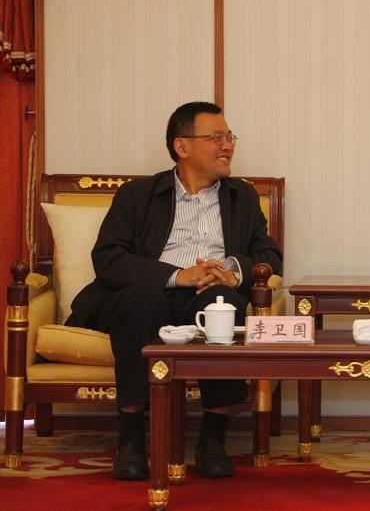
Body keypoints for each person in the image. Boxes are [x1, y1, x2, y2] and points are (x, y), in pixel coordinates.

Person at [67, 101, 283, 480]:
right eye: (216, 137)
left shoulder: (242, 197)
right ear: (182, 146)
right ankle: (132, 441)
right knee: (143, 299)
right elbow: (110, 258)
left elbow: (269, 257)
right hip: (145, 294)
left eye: (229, 137)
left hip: (203, 298)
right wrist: (176, 275)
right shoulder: (137, 194)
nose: (228, 146)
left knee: (222, 302)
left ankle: (212, 439)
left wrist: (232, 272)